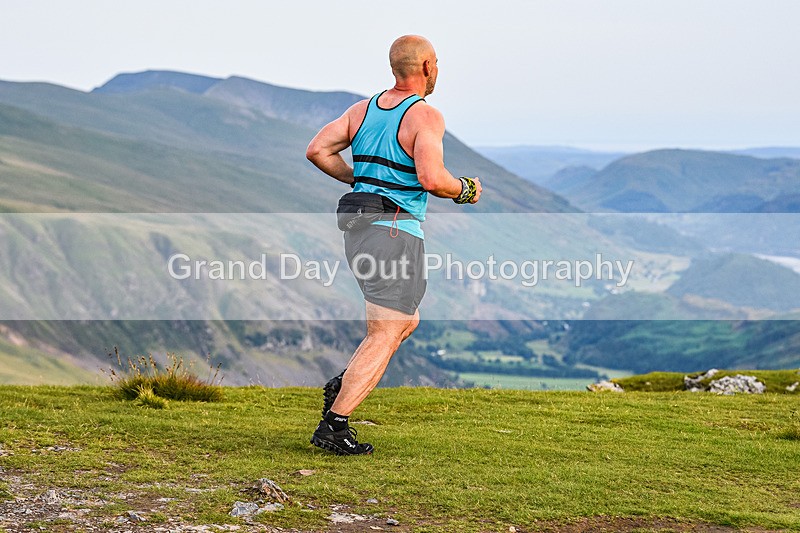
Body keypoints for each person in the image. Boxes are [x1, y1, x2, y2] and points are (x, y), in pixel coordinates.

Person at [305, 35, 482, 455]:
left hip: (360, 226)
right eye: (436, 62)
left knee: (405, 320)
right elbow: (432, 179)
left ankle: (344, 383)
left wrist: (357, 179)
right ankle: (334, 424)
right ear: (425, 67)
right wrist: (467, 189)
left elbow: (317, 150)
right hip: (394, 229)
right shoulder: (425, 117)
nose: (437, 69)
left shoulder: (361, 110)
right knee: (386, 329)